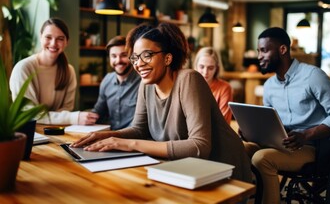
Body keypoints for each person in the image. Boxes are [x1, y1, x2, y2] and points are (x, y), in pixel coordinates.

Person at [71, 22, 252, 183]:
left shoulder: (189, 79)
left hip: (222, 171)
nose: (138, 64)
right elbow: (139, 129)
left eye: (147, 55)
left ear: (168, 58)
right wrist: (106, 136)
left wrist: (129, 144)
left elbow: (199, 146)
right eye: (135, 57)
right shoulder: (146, 84)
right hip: (185, 170)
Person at [245, 27, 330, 204]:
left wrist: (307, 134)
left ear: (282, 50)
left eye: (264, 50)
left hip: (312, 147)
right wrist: (252, 132)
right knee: (242, 148)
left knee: (261, 159)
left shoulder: (312, 76)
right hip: (283, 144)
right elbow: (270, 122)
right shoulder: (270, 85)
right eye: (258, 51)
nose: (259, 56)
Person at [10, 17, 99, 125]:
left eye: (60, 39)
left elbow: (66, 109)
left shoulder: (69, 71)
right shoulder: (23, 68)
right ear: (40, 37)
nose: (53, 43)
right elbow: (29, 114)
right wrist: (72, 118)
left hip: (54, 131)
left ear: (67, 42)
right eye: (48, 37)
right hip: (28, 132)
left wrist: (48, 118)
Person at [92, 36, 141, 130]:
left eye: (123, 55)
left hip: (133, 138)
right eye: (114, 56)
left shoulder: (142, 82)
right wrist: (85, 118)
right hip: (110, 135)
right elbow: (99, 111)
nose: (118, 61)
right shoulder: (107, 80)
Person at [194, 46, 233, 124]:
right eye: (201, 67)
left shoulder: (225, 88)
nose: (205, 72)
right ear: (196, 66)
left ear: (217, 68)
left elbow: (223, 124)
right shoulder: (189, 86)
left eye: (210, 68)